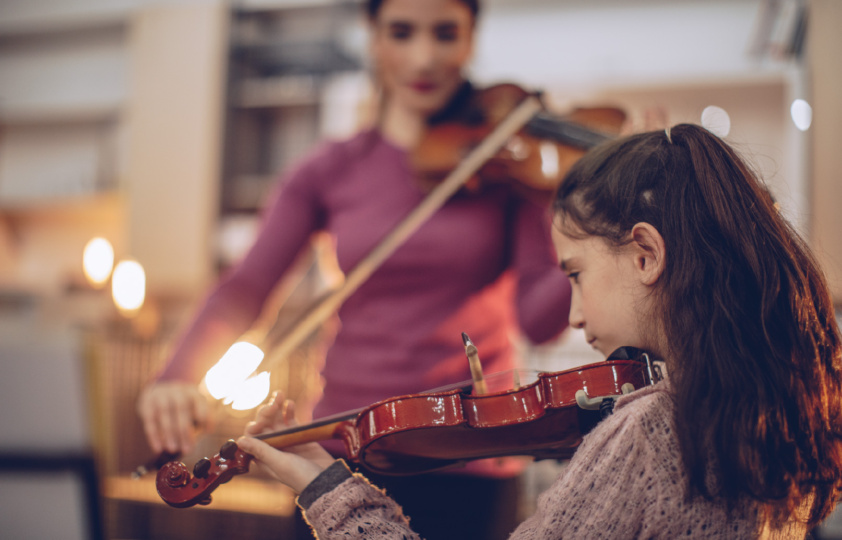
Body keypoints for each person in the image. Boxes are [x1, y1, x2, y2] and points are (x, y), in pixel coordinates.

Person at [236, 123, 842, 539]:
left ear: (646, 255)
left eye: (576, 275)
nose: (574, 314)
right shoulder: (773, 418)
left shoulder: (651, 434)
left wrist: (326, 486)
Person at [137, 0, 571, 537]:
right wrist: (177, 375)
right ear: (372, 35)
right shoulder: (331, 168)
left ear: (470, 39)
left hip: (472, 452)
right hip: (344, 447)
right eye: (402, 32)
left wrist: (582, 229)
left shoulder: (508, 164)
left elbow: (540, 320)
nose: (423, 57)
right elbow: (247, 286)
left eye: (445, 33)